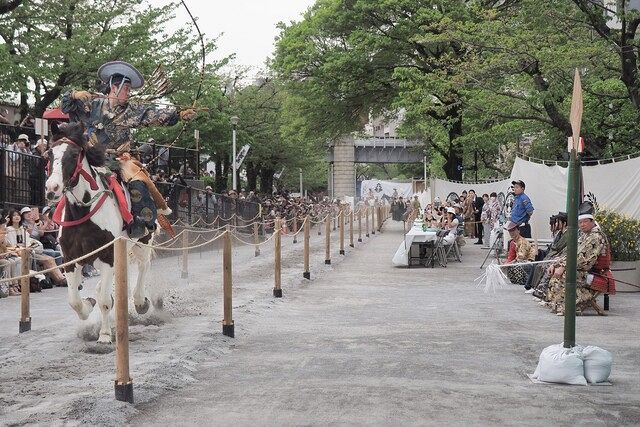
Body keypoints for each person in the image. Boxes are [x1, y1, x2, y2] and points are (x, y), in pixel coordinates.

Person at [61, 61, 196, 237]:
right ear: (113, 88)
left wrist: (179, 114)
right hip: (91, 157)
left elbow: (152, 115)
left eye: (129, 89)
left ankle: (141, 222)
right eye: (125, 89)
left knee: (137, 182)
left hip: (120, 159)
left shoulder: (130, 110)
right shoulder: (92, 105)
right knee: (67, 174)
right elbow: (66, 106)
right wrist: (73, 94)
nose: (128, 93)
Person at [546, 202, 611, 316]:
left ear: (592, 222)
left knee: (566, 274)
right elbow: (570, 253)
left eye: (585, 222)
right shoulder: (584, 235)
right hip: (581, 270)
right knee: (554, 272)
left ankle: (570, 307)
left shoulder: (595, 236)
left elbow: (584, 260)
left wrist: (564, 266)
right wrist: (556, 264)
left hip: (594, 273)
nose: (582, 225)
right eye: (580, 222)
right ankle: (558, 305)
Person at [502, 221, 536, 286]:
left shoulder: (523, 242)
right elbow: (511, 257)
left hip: (528, 263)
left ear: (518, 231)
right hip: (520, 262)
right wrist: (506, 263)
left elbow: (520, 258)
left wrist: (508, 264)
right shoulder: (512, 242)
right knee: (509, 266)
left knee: (515, 266)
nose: (512, 233)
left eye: (513, 230)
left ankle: (526, 280)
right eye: (510, 231)